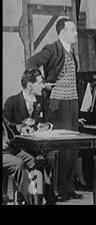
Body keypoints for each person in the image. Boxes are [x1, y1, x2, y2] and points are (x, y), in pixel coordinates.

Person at [26, 17, 83, 201]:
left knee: (72, 147)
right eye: (72, 30)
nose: (76, 33)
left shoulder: (71, 52)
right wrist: (42, 82)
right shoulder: (53, 48)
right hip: (58, 104)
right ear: (62, 33)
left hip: (72, 103)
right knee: (60, 148)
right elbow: (31, 62)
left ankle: (68, 188)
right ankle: (57, 190)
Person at [2, 69, 55, 204]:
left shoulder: (41, 100)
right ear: (30, 85)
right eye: (40, 82)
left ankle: (39, 198)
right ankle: (33, 199)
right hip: (13, 147)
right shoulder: (12, 102)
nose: (43, 85)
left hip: (28, 147)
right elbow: (8, 126)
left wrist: (42, 126)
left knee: (39, 161)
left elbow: (8, 124)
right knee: (26, 162)